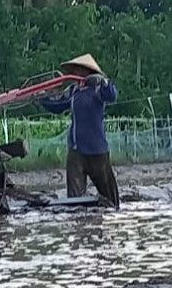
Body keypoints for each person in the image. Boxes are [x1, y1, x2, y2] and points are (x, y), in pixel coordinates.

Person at [41, 54, 119, 207]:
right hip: (76, 151)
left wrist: (103, 82)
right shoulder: (73, 91)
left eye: (80, 70)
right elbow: (57, 106)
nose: (76, 73)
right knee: (75, 201)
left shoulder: (98, 89)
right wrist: (42, 97)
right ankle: (79, 224)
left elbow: (112, 95)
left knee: (110, 199)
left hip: (97, 150)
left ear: (88, 72)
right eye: (75, 70)